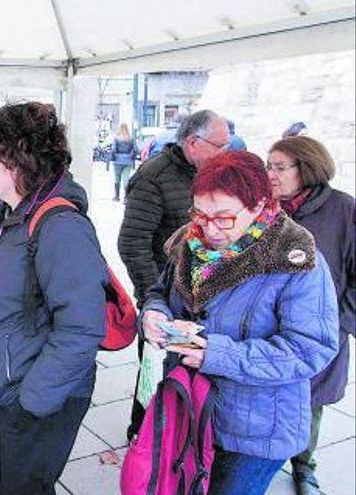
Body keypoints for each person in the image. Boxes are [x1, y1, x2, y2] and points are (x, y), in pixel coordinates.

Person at [140, 150, 338, 495]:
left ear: (260, 204)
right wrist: (154, 313)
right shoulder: (193, 238)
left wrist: (215, 354)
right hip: (192, 407)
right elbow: (161, 290)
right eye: (200, 214)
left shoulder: (296, 261)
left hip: (254, 431)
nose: (210, 228)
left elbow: (311, 349)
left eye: (225, 218)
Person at [0, 103, 108, 494]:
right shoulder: (12, 213)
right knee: (7, 483)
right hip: (9, 386)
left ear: (17, 160)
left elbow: (82, 328)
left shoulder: (60, 226)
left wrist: (32, 399)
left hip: (37, 395)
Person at [118, 109, 230, 440]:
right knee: (157, 375)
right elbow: (132, 242)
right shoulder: (154, 177)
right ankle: (142, 437)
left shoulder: (214, 175)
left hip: (206, 302)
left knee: (192, 375)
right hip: (166, 304)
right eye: (220, 145)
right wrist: (155, 298)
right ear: (193, 143)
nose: (226, 152)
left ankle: (183, 440)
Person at [267, 136, 355, 495]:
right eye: (268, 165)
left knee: (310, 402)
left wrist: (337, 323)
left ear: (307, 168)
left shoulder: (344, 210)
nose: (270, 174)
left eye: (279, 167)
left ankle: (304, 468)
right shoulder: (264, 208)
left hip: (321, 331)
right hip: (267, 329)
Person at [111, 123, 138, 202]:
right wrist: (131, 157)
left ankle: (117, 196)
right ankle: (126, 198)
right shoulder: (131, 138)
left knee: (117, 178)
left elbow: (113, 149)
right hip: (128, 160)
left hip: (118, 161)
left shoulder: (116, 138)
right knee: (126, 179)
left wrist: (114, 157)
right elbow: (135, 149)